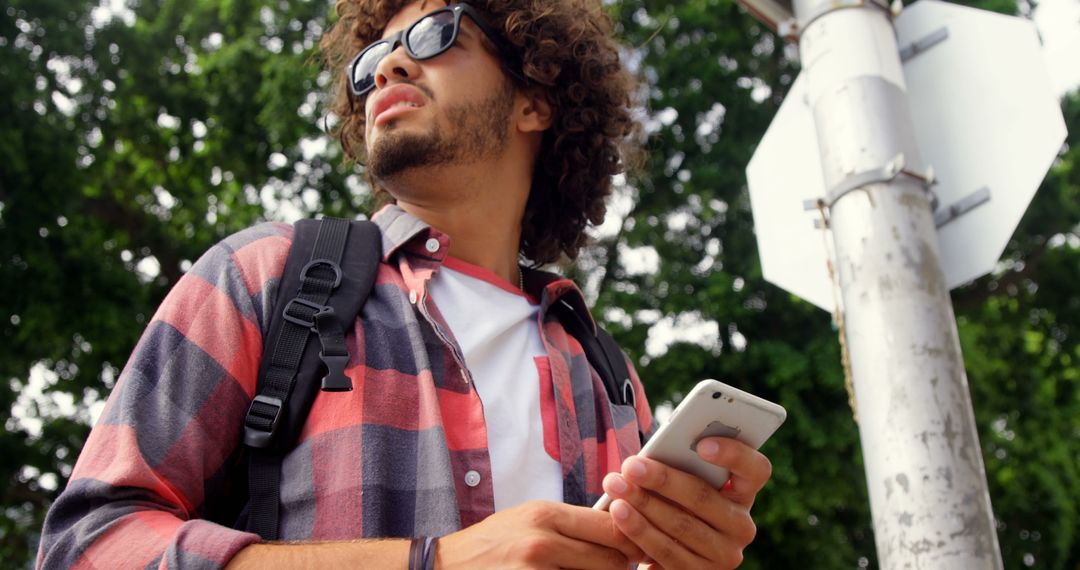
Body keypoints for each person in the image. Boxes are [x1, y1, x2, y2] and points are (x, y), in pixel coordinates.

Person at [37, 1, 773, 568]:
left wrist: (680, 546)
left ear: (536, 99)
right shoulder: (262, 278)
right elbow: (85, 546)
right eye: (373, 60)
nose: (386, 67)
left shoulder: (607, 375)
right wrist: (434, 561)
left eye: (434, 36)